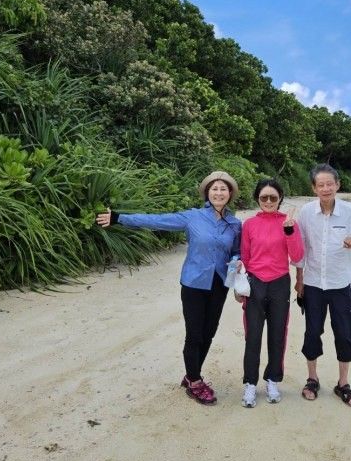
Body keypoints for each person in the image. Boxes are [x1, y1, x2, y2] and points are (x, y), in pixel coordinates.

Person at [95, 171, 241, 406]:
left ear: (230, 194)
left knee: (208, 333)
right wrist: (119, 218)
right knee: (194, 334)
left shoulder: (234, 224)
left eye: (224, 189)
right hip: (194, 283)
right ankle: (195, 381)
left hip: (219, 283)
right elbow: (157, 220)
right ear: (207, 192)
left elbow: (236, 250)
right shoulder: (192, 217)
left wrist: (237, 259)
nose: (219, 192)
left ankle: (192, 374)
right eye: (214, 188)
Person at [294, 163, 351, 408]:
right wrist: (298, 280)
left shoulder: (350, 212)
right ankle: (312, 378)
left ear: (338, 185)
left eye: (330, 184)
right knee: (312, 332)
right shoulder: (306, 212)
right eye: (321, 185)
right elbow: (300, 247)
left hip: (341, 284)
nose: (326, 188)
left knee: (345, 333)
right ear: (314, 188)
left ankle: (343, 384)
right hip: (314, 283)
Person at [237, 178, 304, 408]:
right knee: (252, 336)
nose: (268, 201)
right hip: (255, 284)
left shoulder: (288, 222)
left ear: (280, 199)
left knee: (278, 335)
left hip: (279, 284)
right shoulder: (249, 225)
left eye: (273, 198)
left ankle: (273, 380)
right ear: (257, 198)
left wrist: (290, 231)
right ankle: (250, 384)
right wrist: (240, 288)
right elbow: (244, 257)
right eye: (264, 197)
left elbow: (296, 257)